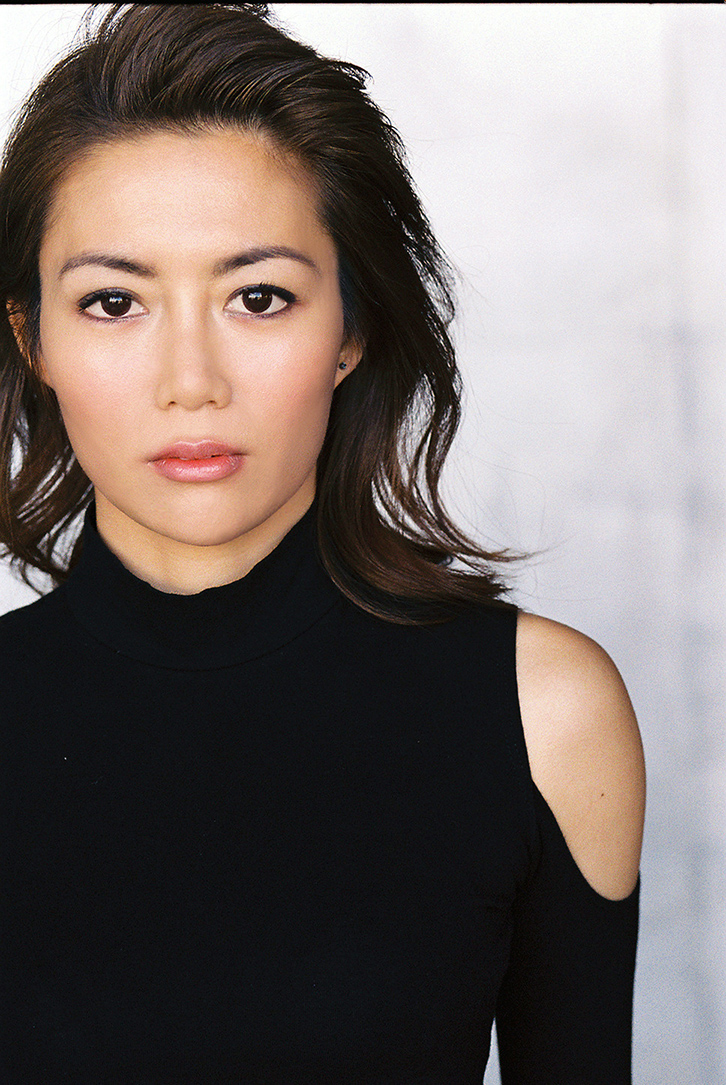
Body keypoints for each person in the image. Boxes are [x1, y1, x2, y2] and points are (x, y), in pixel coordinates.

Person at [0, 4, 645, 1082]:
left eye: (259, 297)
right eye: (114, 302)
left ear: (350, 327)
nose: (191, 381)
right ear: (34, 338)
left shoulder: (541, 714)